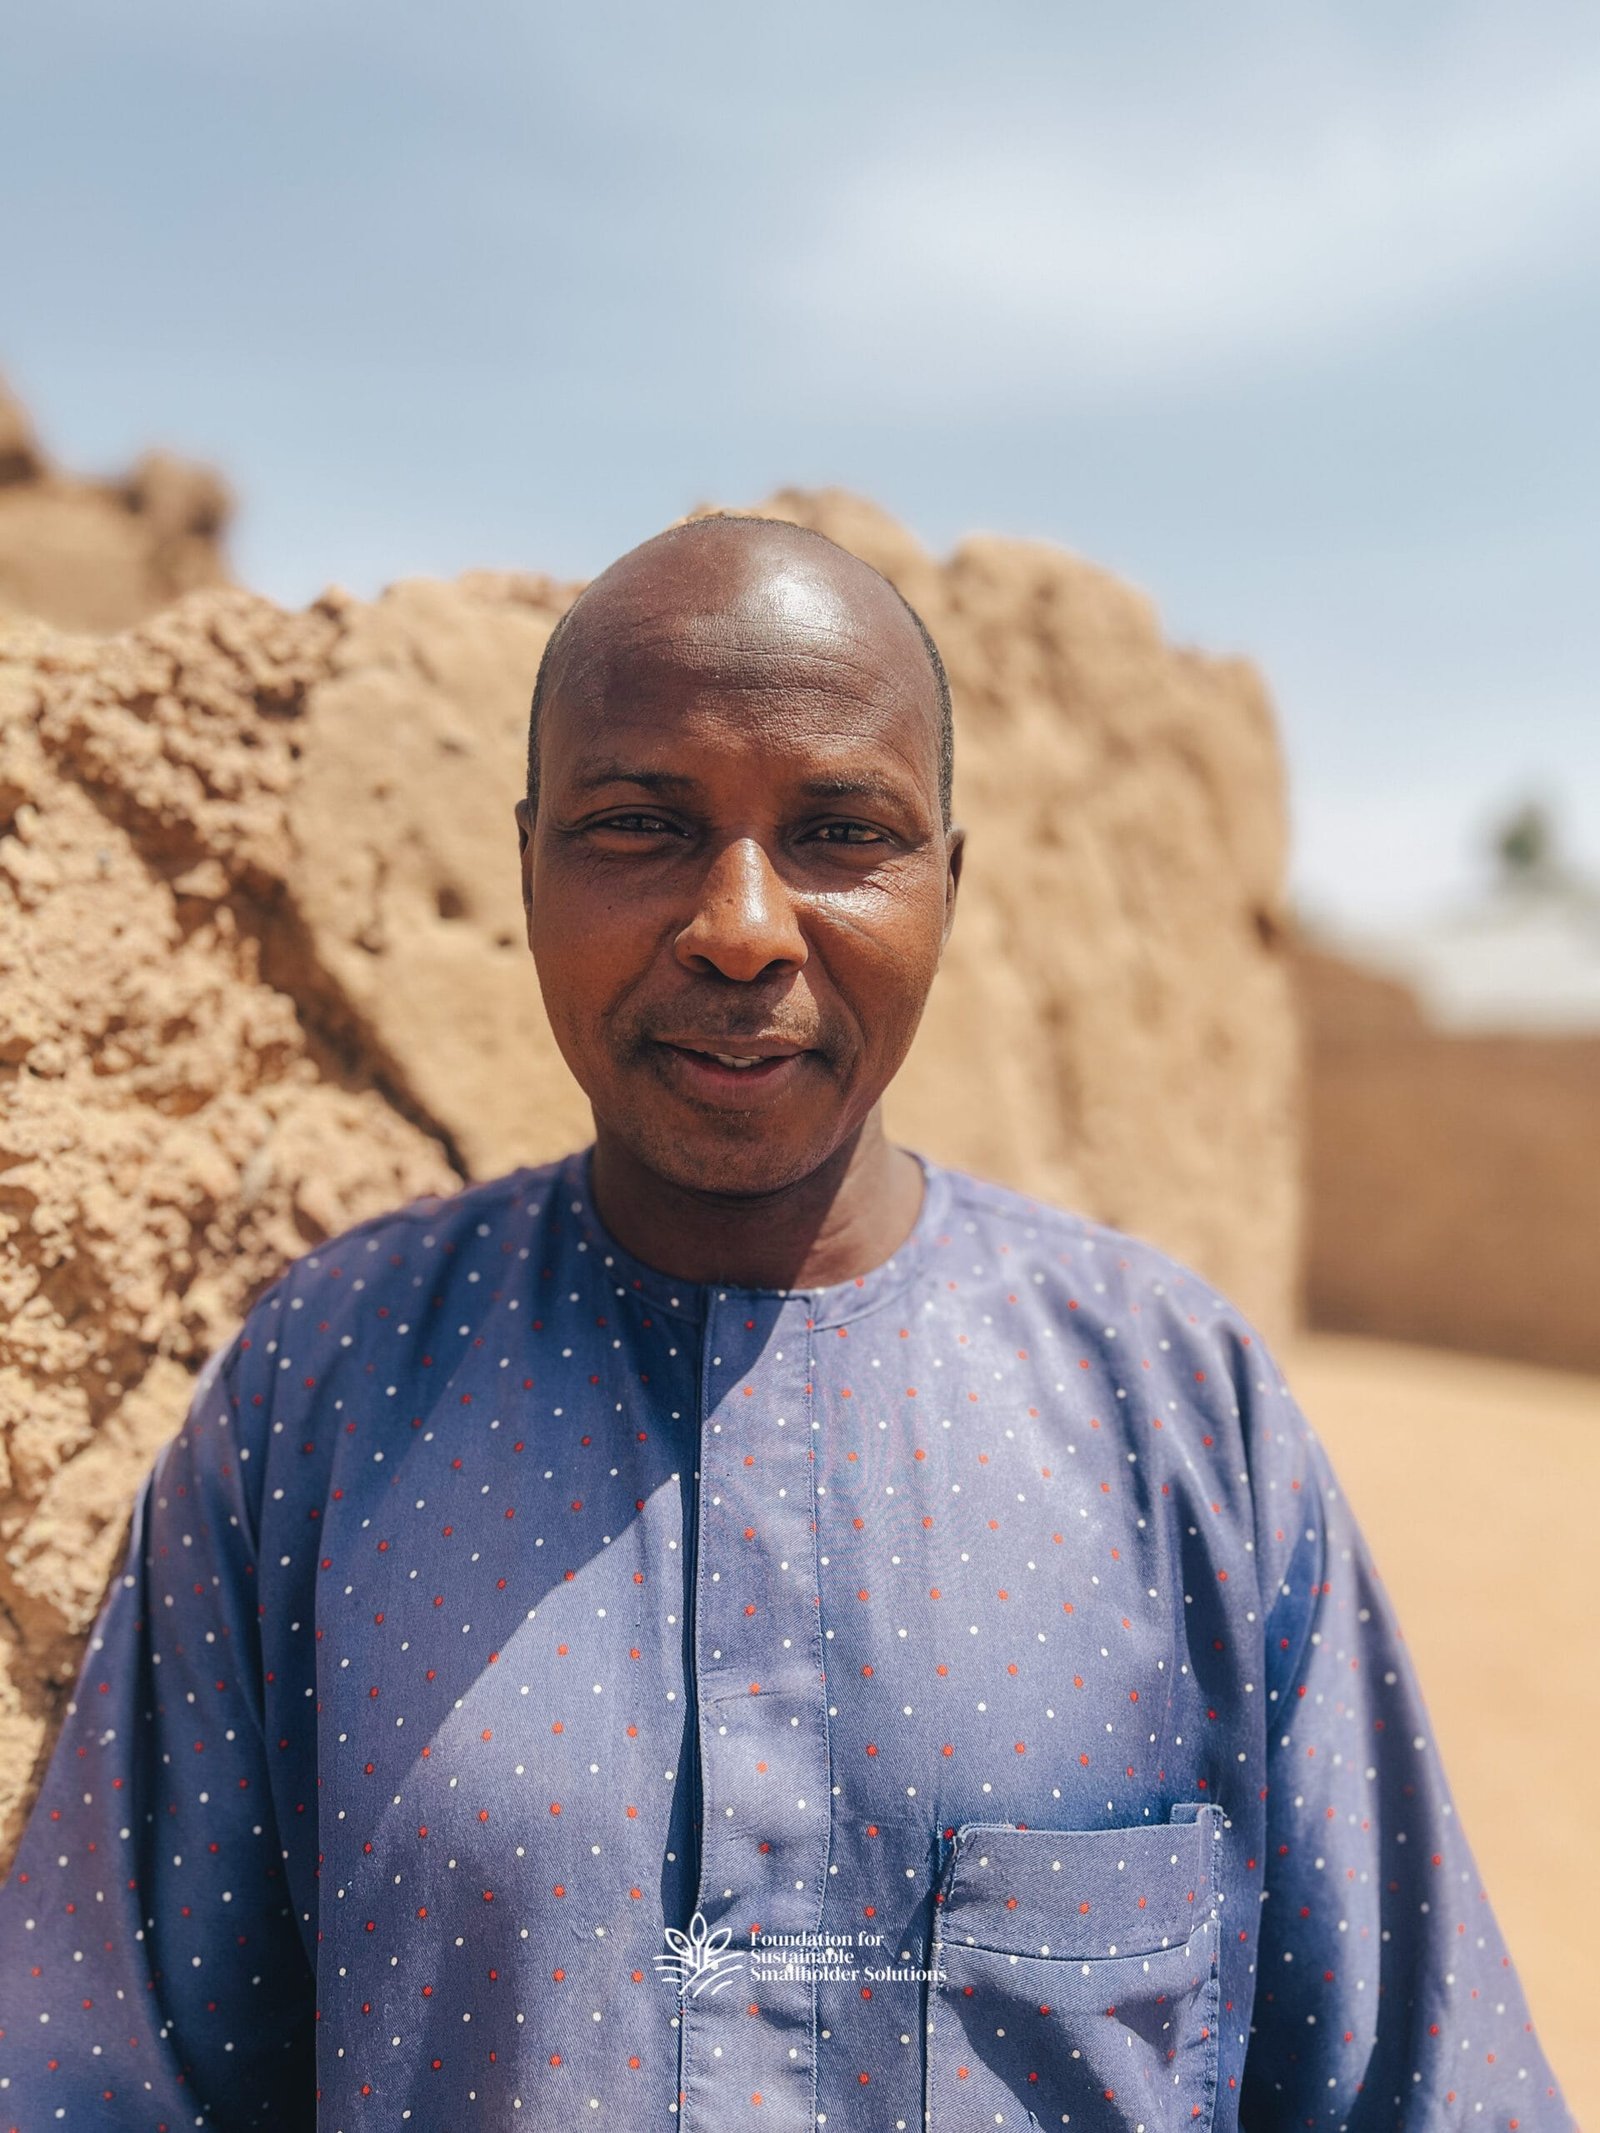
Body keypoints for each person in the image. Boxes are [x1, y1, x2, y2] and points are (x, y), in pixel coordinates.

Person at [0, 516, 1570, 2132]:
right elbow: (94, 2081)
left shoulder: (1181, 1415)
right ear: (527, 862)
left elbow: (1421, 2085)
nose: (741, 922)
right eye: (640, 825)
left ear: (946, 883)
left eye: (838, 830)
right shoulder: (319, 1396)